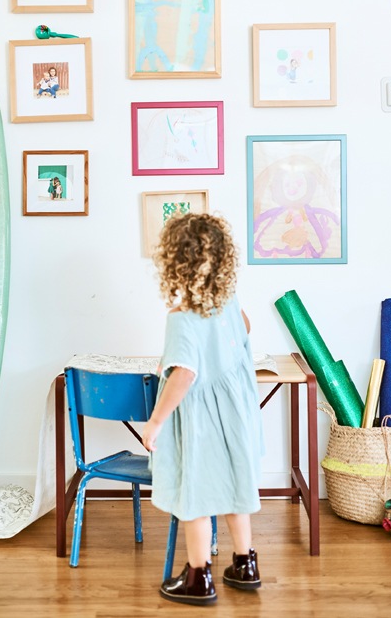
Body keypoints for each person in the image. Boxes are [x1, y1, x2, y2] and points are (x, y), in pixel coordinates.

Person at [142, 213, 264, 606]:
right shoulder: (228, 302)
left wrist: (156, 421)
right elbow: (245, 327)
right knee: (234, 491)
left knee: (194, 496)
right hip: (236, 415)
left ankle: (198, 577)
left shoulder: (181, 319)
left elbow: (185, 375)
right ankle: (245, 564)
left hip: (202, 424)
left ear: (175, 263)